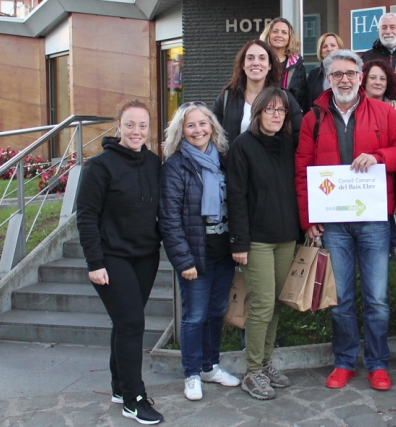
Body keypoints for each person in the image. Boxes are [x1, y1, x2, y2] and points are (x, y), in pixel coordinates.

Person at [295, 49, 396, 391]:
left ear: (361, 77)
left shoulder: (383, 113)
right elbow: (302, 171)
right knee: (341, 297)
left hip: (374, 219)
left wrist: (377, 157)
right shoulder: (312, 119)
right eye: (337, 74)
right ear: (328, 79)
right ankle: (345, 361)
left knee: (376, 297)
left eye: (350, 73)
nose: (344, 79)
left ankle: (377, 363)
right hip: (333, 223)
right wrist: (308, 218)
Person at [76, 100, 164, 424]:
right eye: (130, 125)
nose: (136, 131)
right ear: (118, 125)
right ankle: (134, 398)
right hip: (111, 257)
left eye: (142, 125)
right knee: (131, 323)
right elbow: (86, 216)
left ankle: (118, 384)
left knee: (126, 321)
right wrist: (94, 262)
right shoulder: (100, 166)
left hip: (146, 256)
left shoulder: (154, 163)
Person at [158, 102, 240, 402]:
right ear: (182, 131)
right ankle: (191, 373)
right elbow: (169, 219)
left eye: (203, 124)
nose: (198, 130)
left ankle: (210, 366)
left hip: (223, 253)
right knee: (195, 316)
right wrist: (183, 260)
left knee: (217, 311)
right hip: (195, 256)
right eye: (191, 125)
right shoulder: (175, 166)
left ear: (212, 127)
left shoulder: (223, 161)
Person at [227, 87, 301, 400]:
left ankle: (266, 362)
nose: (275, 114)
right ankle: (253, 370)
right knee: (260, 305)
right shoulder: (243, 146)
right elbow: (236, 197)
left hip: (286, 237)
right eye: (269, 109)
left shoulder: (287, 144)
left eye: (280, 110)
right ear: (258, 112)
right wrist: (239, 243)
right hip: (256, 240)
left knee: (274, 306)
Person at [211, 40, 303, 145]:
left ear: (270, 65)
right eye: (250, 58)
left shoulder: (285, 98)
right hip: (234, 160)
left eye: (262, 58)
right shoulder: (226, 98)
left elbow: (299, 135)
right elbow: (213, 135)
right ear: (243, 65)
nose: (256, 63)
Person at [260, 17, 309, 111]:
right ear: (268, 35)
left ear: (289, 37)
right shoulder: (260, 62)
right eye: (275, 31)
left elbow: (301, 98)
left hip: (289, 117)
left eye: (284, 32)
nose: (279, 35)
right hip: (262, 114)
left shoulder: (298, 66)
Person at [307, 33, 344, 106]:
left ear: (340, 48)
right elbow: (308, 103)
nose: (329, 49)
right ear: (320, 51)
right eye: (325, 46)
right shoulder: (313, 75)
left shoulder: (348, 71)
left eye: (333, 45)